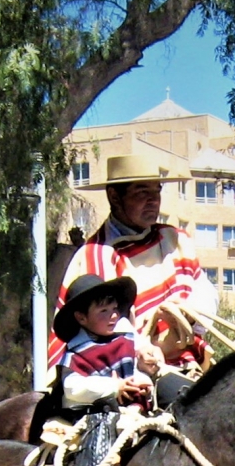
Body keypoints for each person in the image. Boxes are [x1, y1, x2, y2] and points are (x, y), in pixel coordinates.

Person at [47, 154, 218, 376]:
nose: (154, 200)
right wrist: (141, 350)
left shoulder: (175, 240)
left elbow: (205, 291)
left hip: (190, 362)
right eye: (142, 193)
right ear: (115, 197)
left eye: (157, 191)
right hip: (129, 374)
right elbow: (97, 327)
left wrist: (188, 314)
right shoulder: (96, 256)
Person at [53, 274, 151, 466]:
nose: (113, 316)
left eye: (115, 309)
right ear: (81, 317)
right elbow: (73, 388)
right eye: (103, 311)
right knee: (101, 425)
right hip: (91, 412)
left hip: (128, 410)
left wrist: (141, 382)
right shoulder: (76, 351)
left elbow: (129, 370)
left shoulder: (123, 339)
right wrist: (114, 387)